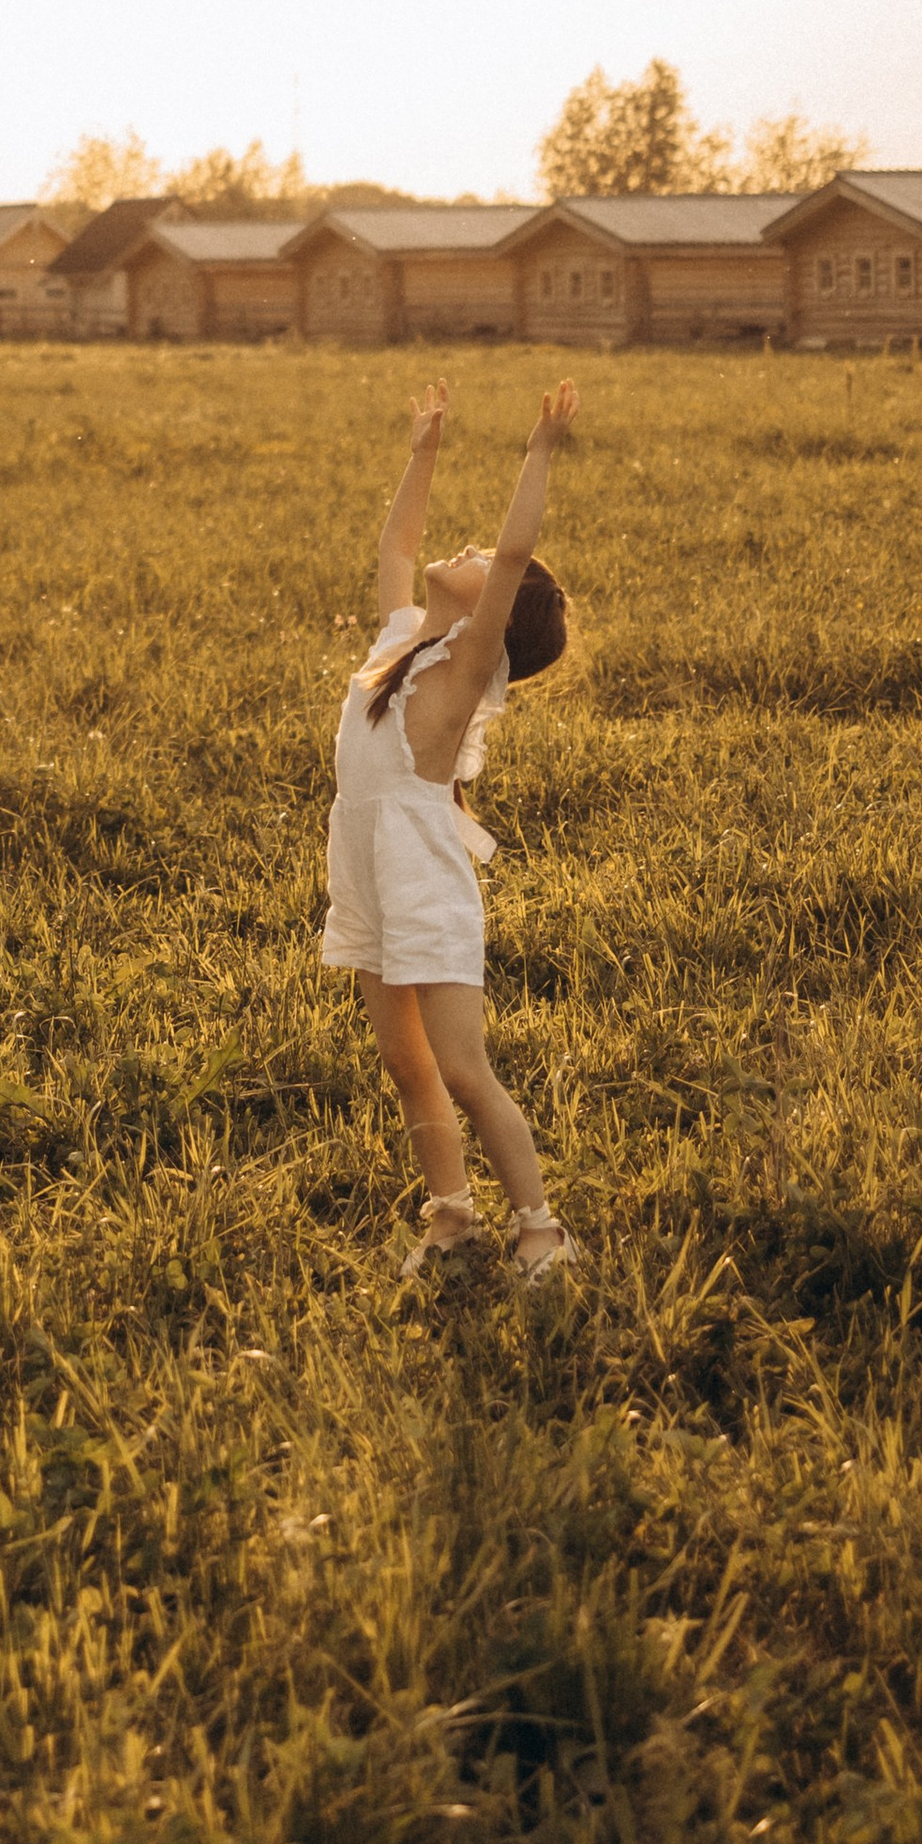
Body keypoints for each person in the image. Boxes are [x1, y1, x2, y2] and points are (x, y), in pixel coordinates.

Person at [322, 374, 581, 1277]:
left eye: (476, 560)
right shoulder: (400, 636)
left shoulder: (464, 665)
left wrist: (539, 451)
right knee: (405, 1063)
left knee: (463, 1068)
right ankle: (451, 1219)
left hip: (425, 883)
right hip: (364, 869)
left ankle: (542, 1229)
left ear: (494, 619)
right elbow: (396, 541)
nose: (465, 550)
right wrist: (425, 444)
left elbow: (512, 555)